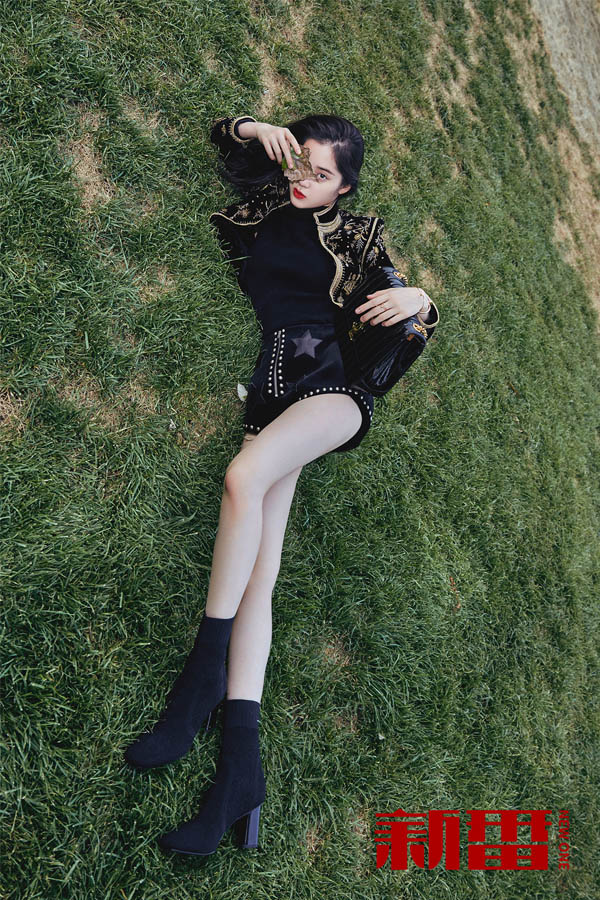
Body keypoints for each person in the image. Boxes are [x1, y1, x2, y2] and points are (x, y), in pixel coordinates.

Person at [123, 113, 439, 856]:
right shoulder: (267, 195)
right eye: (302, 164)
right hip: (272, 396)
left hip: (333, 393)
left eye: (322, 175)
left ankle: (199, 679)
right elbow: (223, 139)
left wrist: (423, 299)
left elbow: (404, 303)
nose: (305, 181)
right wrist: (250, 126)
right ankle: (241, 770)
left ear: (345, 188)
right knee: (258, 576)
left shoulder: (356, 241)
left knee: (242, 478)